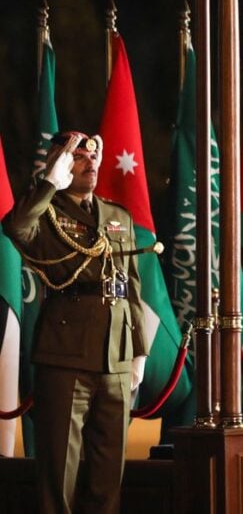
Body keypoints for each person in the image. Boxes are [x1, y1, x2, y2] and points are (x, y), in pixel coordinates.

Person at [2, 131, 148, 513]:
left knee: (107, 477)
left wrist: (139, 352)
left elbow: (131, 286)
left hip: (114, 357)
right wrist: (50, 182)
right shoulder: (45, 210)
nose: (91, 163)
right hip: (66, 354)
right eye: (79, 157)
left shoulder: (117, 216)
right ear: (62, 164)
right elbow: (16, 229)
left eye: (94, 158)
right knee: (58, 479)